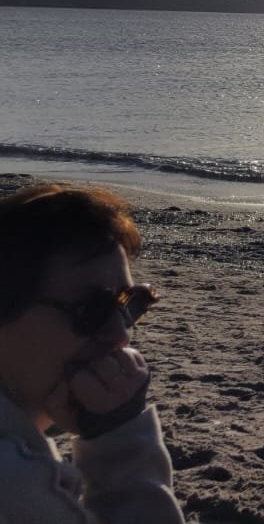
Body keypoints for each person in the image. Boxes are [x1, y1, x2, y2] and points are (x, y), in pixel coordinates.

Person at [0, 183, 184, 523]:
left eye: (130, 303)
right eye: (90, 309)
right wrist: (118, 435)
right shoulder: (14, 482)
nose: (120, 334)